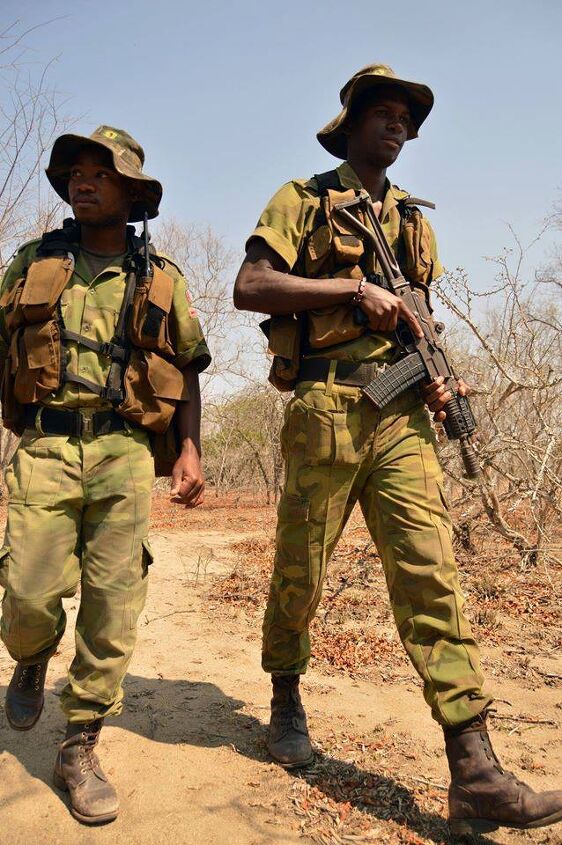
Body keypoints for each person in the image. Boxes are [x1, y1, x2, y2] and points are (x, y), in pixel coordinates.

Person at [233, 64, 562, 838]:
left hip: (403, 410)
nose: (397, 127)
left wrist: (443, 380)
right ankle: (285, 693)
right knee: (300, 567)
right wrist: (350, 291)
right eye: (382, 113)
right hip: (328, 407)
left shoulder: (413, 220)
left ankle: (474, 769)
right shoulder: (304, 198)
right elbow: (251, 284)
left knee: (430, 572)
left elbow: (423, 314)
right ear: (350, 123)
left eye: (405, 119)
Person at [0, 126, 210, 824]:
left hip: (122, 452)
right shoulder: (32, 262)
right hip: (45, 445)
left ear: (131, 192)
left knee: (113, 604)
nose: (85, 182)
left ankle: (80, 739)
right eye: (76, 173)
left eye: (102, 172)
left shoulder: (163, 277)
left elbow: (186, 372)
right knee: (26, 589)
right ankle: (31, 655)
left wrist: (189, 451)